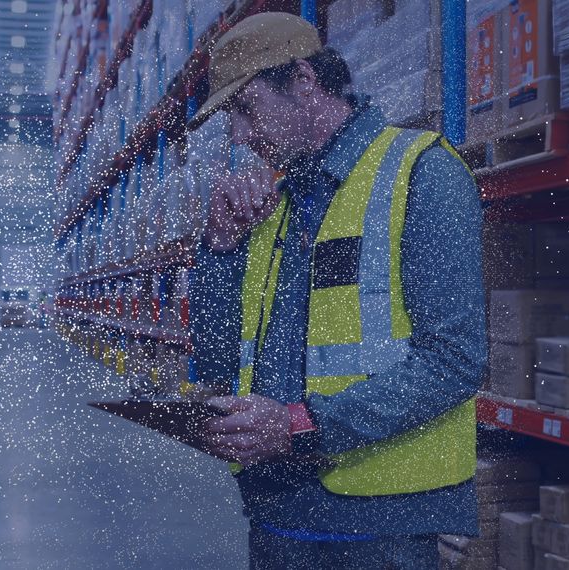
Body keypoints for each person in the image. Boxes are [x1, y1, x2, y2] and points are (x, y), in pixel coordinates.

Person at [186, 12, 486, 569]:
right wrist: (220, 249)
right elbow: (216, 358)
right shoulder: (272, 206)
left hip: (381, 526)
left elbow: (455, 360)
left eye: (246, 109)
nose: (239, 137)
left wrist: (299, 425)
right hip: (274, 514)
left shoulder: (423, 174)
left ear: (303, 80)